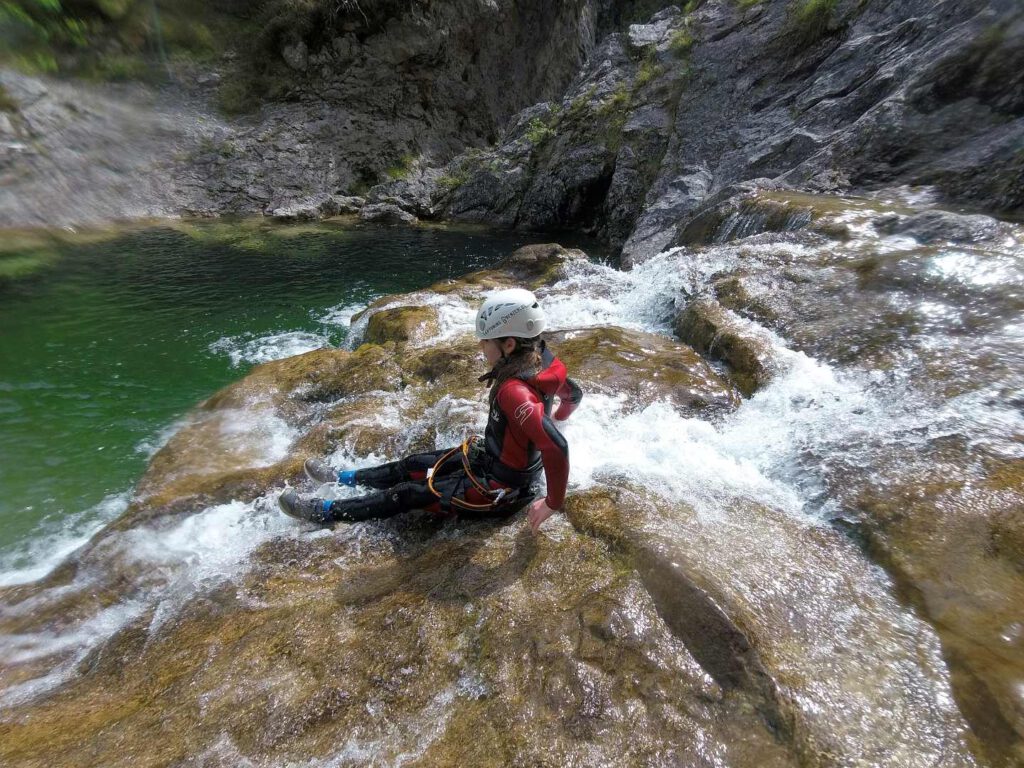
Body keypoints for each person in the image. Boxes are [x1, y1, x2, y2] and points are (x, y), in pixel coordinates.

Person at [279, 288, 583, 534]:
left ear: (509, 344)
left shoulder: (514, 392)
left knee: (408, 493)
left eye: (484, 343)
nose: (481, 348)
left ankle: (325, 512)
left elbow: (556, 445)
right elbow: (573, 393)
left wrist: (552, 503)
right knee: (414, 463)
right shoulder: (542, 359)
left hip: (499, 488)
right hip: (491, 461)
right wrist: (561, 415)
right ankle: (343, 477)